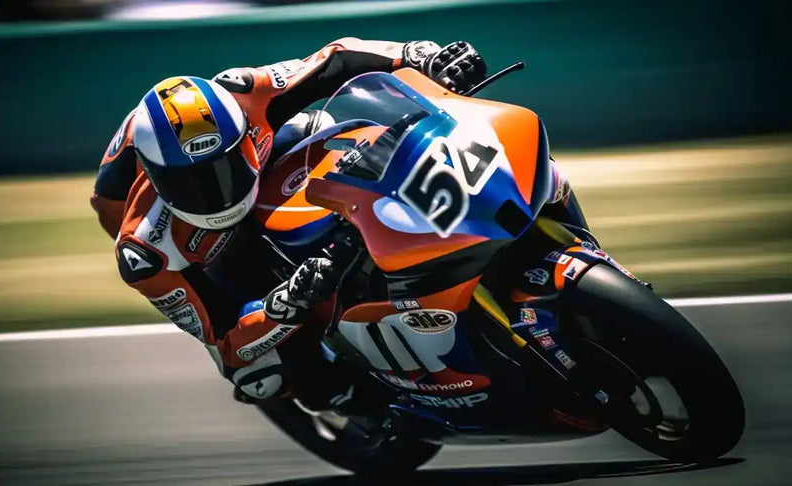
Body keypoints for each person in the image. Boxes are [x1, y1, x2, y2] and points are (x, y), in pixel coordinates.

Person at [89, 38, 499, 411]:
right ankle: (346, 400)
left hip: (270, 160)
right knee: (258, 376)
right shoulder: (146, 252)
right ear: (154, 174)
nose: (214, 192)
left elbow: (334, 60)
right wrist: (284, 304)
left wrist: (419, 55)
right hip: (210, 254)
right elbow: (226, 344)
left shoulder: (246, 91)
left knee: (331, 129)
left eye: (223, 169)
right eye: (190, 183)